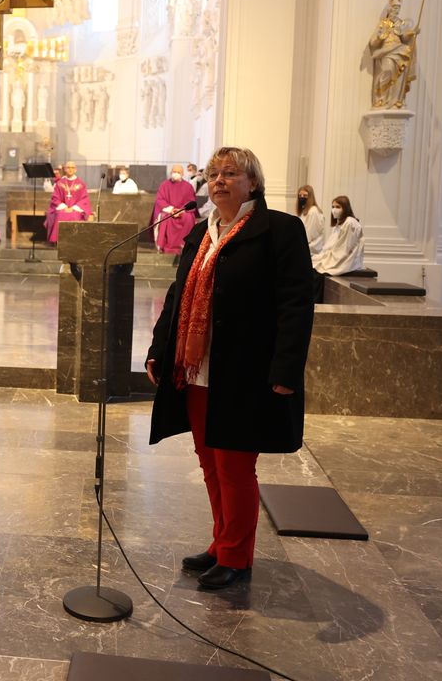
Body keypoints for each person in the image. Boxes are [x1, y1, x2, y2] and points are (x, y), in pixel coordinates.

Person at [145, 147, 314, 591]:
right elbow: (177, 296)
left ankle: (237, 556)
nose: (218, 180)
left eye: (230, 173)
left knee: (236, 467)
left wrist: (286, 370)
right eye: (213, 174)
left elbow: (296, 306)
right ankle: (222, 543)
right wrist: (158, 350)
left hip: (245, 369)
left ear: (252, 182)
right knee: (210, 462)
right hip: (197, 370)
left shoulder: (279, 230)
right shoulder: (202, 233)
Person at [313, 195, 365, 275]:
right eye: (333, 207)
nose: (334, 210)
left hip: (347, 260)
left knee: (317, 270)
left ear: (345, 208)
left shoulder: (350, 223)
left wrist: (326, 258)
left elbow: (344, 249)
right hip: (334, 255)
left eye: (338, 207)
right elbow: (330, 246)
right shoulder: (339, 224)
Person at [152, 165, 198, 254]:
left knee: (188, 218)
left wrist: (180, 211)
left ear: (182, 174)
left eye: (178, 172)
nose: (176, 174)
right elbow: (160, 199)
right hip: (169, 211)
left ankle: (185, 245)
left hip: (183, 212)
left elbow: (191, 201)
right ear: (171, 172)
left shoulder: (188, 186)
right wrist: (172, 209)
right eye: (174, 172)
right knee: (166, 219)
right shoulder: (164, 185)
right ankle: (166, 246)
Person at [45, 161, 92, 243]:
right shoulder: (59, 183)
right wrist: (64, 207)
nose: (70, 169)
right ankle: (59, 241)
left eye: (72, 168)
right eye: (68, 167)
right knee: (60, 214)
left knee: (75, 215)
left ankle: (75, 241)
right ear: (65, 169)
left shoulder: (81, 184)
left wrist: (73, 208)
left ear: (75, 170)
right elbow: (55, 198)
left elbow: (84, 199)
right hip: (63, 208)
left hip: (76, 210)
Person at [296, 185, 327, 256]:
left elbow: (309, 234)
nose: (302, 197)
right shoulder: (304, 211)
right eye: (300, 195)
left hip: (313, 248)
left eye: (305, 195)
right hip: (307, 245)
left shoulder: (313, 211)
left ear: (310, 197)